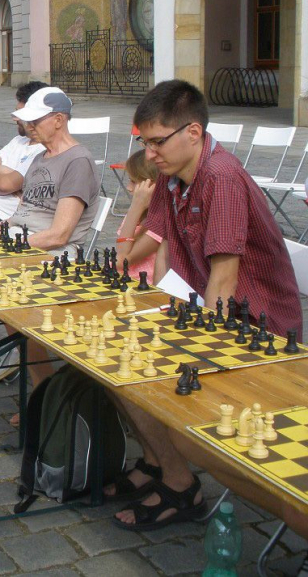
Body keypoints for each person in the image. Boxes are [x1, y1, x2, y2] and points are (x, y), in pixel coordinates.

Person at [110, 80, 301, 532]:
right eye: (145, 142)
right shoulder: (172, 178)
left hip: (259, 330)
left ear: (192, 133)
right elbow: (140, 251)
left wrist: (203, 351)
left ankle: (185, 483)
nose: (149, 153)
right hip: (208, 310)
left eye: (157, 142)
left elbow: (225, 278)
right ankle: (163, 468)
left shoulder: (221, 175)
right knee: (115, 367)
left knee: (182, 421)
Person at [4, 87, 100, 257]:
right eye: (29, 121)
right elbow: (18, 215)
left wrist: (7, 246)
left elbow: (59, 236)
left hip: (49, 251)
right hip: (20, 239)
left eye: (36, 120)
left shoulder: (78, 161)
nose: (30, 126)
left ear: (58, 120)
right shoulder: (40, 157)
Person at [0, 81, 48, 227]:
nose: (14, 118)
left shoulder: (43, 150)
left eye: (20, 114)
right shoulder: (18, 141)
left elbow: (5, 185)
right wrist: (2, 170)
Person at [114, 149, 161, 284]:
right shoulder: (140, 213)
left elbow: (122, 260)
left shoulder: (159, 221)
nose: (129, 188)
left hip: (140, 287)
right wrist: (135, 209)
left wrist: (136, 207)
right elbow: (120, 249)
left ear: (152, 185)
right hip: (124, 282)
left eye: (133, 181)